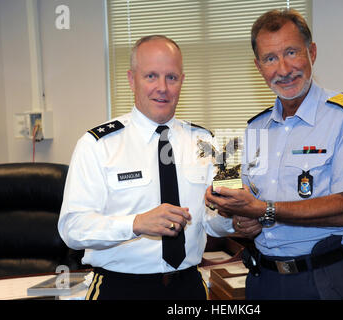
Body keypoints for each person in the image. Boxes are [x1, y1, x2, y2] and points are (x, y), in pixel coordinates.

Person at [205, 9, 343, 300]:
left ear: (312, 52)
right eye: (270, 58)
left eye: (292, 52)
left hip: (325, 278)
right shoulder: (255, 128)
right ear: (258, 66)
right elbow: (247, 203)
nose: (283, 69)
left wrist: (263, 210)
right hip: (264, 279)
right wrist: (234, 214)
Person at [58, 35, 234, 300]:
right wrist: (136, 223)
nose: (162, 87)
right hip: (120, 288)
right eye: (151, 76)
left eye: (171, 77)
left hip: (188, 286)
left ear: (182, 82)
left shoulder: (206, 141)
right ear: (132, 80)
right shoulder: (97, 144)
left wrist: (234, 220)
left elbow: (214, 222)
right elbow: (72, 229)